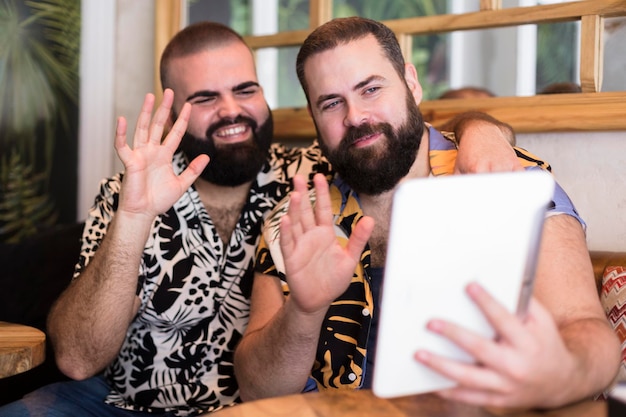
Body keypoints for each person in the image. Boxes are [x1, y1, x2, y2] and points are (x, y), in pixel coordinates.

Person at [0, 21, 525, 416]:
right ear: (174, 110)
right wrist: (134, 217)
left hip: (254, 409)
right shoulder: (130, 189)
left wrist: (482, 127)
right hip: (120, 402)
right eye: (205, 98)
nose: (232, 111)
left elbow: (406, 133)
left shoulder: (313, 175)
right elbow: (75, 358)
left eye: (245, 90)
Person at [233, 17, 621, 410]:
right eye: (331, 103)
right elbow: (258, 391)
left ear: (411, 84)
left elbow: (590, 334)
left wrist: (560, 371)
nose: (354, 115)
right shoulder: (296, 218)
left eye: (370, 89)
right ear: (315, 119)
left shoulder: (502, 176)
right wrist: (303, 310)